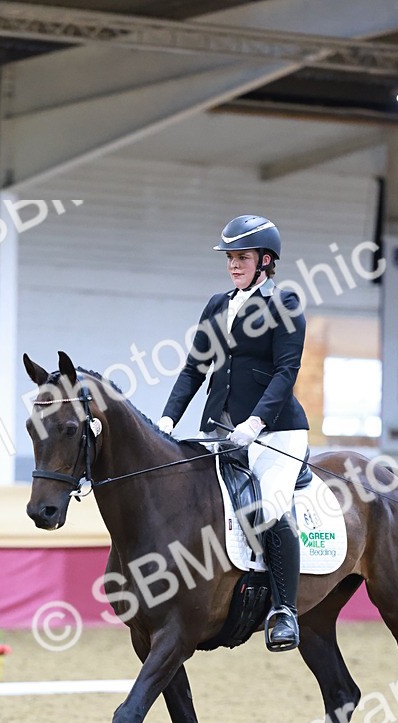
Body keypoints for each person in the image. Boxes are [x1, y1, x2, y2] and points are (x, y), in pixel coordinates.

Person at [157, 214, 309, 651]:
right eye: (230, 258)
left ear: (265, 261)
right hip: (220, 432)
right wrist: (167, 420)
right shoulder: (217, 305)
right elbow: (193, 369)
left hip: (276, 433)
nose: (233, 265)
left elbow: (286, 372)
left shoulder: (285, 303)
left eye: (242, 257)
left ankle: (284, 612)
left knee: (270, 509)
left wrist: (256, 422)